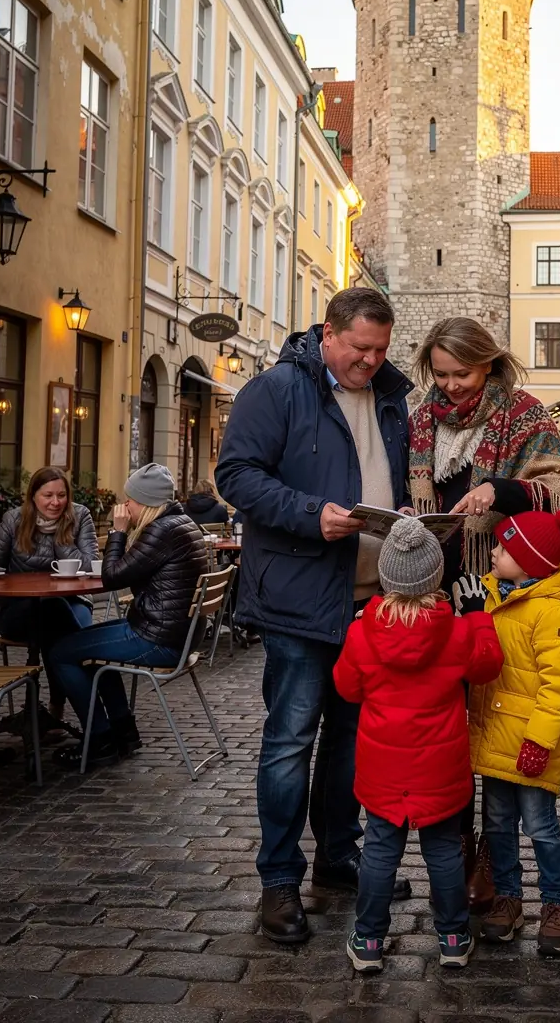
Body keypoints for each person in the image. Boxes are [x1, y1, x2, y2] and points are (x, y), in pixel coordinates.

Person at [215, 287, 413, 945]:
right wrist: (310, 513)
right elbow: (236, 475)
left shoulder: (388, 395)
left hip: (371, 600)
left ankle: (337, 856)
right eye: (361, 348)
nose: (372, 361)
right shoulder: (276, 390)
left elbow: (389, 476)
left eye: (381, 350)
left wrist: (406, 515)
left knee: (351, 741)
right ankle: (278, 882)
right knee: (290, 742)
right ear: (327, 334)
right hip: (300, 599)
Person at [409, 316, 560, 911]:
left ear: (488, 363)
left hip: (495, 591)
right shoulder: (421, 416)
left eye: (463, 373)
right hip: (435, 588)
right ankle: (460, 844)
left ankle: (491, 860)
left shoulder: (527, 414)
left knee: (492, 716)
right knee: (449, 726)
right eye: (441, 373)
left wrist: (500, 493)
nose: (450, 385)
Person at [334, 517, 503, 972]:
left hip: (382, 770)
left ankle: (368, 942)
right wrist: (478, 616)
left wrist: (358, 629)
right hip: (440, 769)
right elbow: (489, 666)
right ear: (435, 578)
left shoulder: (363, 631)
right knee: (445, 851)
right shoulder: (455, 632)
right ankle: (452, 937)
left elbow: (347, 689)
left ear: (386, 577)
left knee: (380, 850)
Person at [468, 507, 560, 956]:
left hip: (532, 744)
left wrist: (539, 740)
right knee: (497, 825)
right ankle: (508, 899)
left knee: (540, 826)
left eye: (504, 547)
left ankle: (557, 905)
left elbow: (559, 686)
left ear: (531, 561)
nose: (494, 552)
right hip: (497, 738)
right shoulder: (498, 596)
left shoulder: (552, 611)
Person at [47, 464, 207, 769]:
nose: (124, 506)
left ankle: (100, 739)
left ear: (144, 502)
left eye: (129, 499)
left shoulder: (162, 530)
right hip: (174, 633)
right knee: (89, 654)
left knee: (61, 652)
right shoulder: (181, 523)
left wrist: (118, 532)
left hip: (159, 638)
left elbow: (111, 577)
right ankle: (123, 731)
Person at [0, 467, 99, 727]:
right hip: (20, 609)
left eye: (62, 495)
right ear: (33, 496)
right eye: (48, 495)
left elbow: (91, 565)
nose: (56, 502)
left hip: (73, 601)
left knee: (57, 620)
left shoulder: (80, 515)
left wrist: (62, 541)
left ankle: (61, 710)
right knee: (65, 632)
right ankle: (90, 717)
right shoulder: (14, 519)